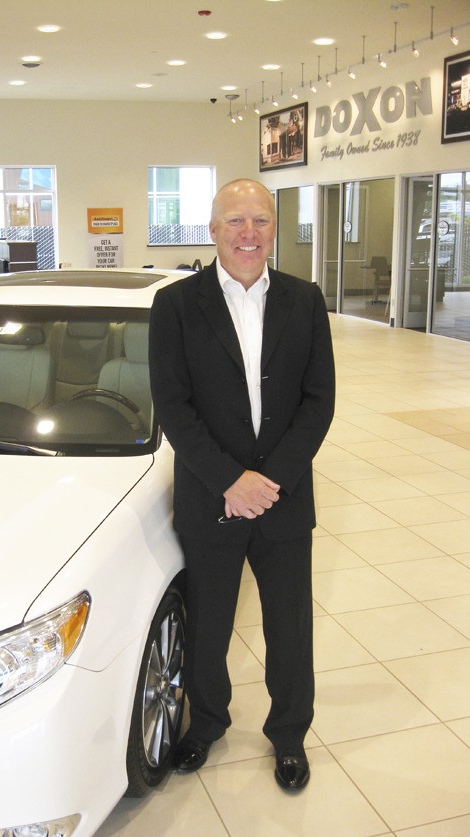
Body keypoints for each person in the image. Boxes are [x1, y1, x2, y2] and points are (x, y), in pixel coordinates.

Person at [148, 179, 335, 790]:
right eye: (235, 221)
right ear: (212, 229)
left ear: (275, 228)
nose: (248, 233)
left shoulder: (305, 302)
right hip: (211, 497)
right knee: (207, 624)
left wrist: (269, 481)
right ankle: (205, 725)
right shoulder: (176, 306)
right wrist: (231, 480)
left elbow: (318, 403)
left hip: (282, 501)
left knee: (289, 627)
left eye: (259, 220)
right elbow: (174, 408)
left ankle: (288, 736)